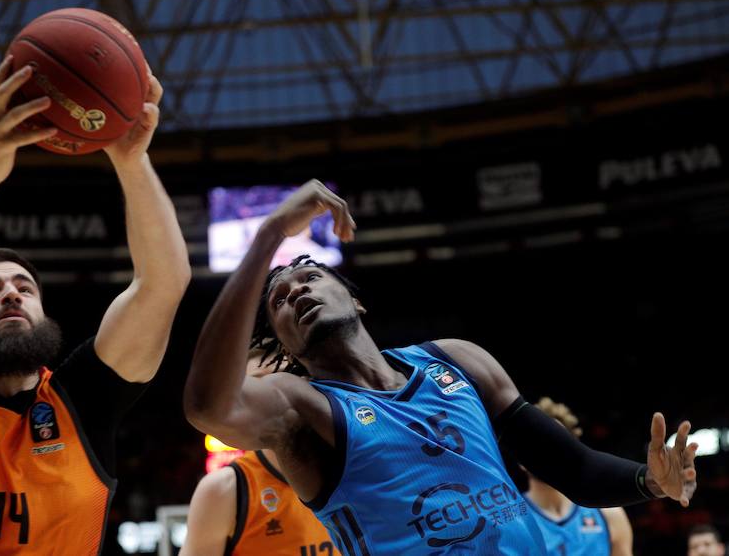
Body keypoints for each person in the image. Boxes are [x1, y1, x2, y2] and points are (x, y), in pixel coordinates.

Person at [184, 179, 699, 555]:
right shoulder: (300, 409)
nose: (297, 291)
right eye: (279, 301)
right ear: (288, 349)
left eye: (310, 277)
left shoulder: (455, 358)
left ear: (355, 301)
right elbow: (209, 404)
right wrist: (270, 234)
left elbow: (574, 470)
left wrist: (649, 481)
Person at [0, 55, 190, 554]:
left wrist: (132, 162)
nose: (11, 292)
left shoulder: (83, 403)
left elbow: (163, 284)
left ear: (43, 314)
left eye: (25, 286)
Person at [181, 351, 335, 556]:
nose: (273, 394)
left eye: (285, 378)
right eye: (258, 382)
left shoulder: (355, 467)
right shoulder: (225, 490)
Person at [523, 398, 633, 556]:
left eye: (556, 440)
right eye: (537, 442)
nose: (548, 451)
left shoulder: (609, 514)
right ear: (519, 458)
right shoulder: (512, 523)